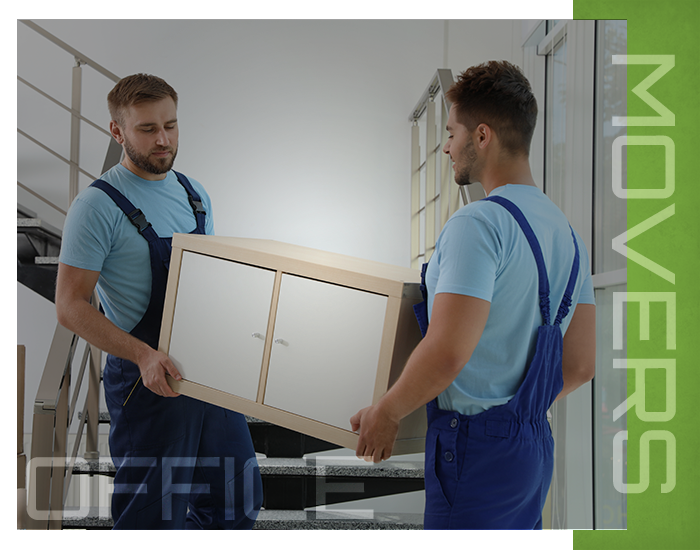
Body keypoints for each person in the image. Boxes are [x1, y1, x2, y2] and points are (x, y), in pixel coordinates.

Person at [350, 60, 596, 530]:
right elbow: (581, 364)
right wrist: (515, 410)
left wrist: (388, 410)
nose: (445, 147)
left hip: (474, 450)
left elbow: (447, 351)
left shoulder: (477, 224)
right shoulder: (567, 233)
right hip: (530, 447)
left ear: (481, 136)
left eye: (451, 132)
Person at [56, 73, 263, 529]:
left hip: (210, 377)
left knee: (237, 505)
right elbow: (70, 306)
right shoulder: (97, 206)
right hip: (146, 382)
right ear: (117, 131)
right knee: (152, 519)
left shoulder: (194, 193)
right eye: (147, 129)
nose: (163, 139)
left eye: (170, 125)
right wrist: (143, 355)